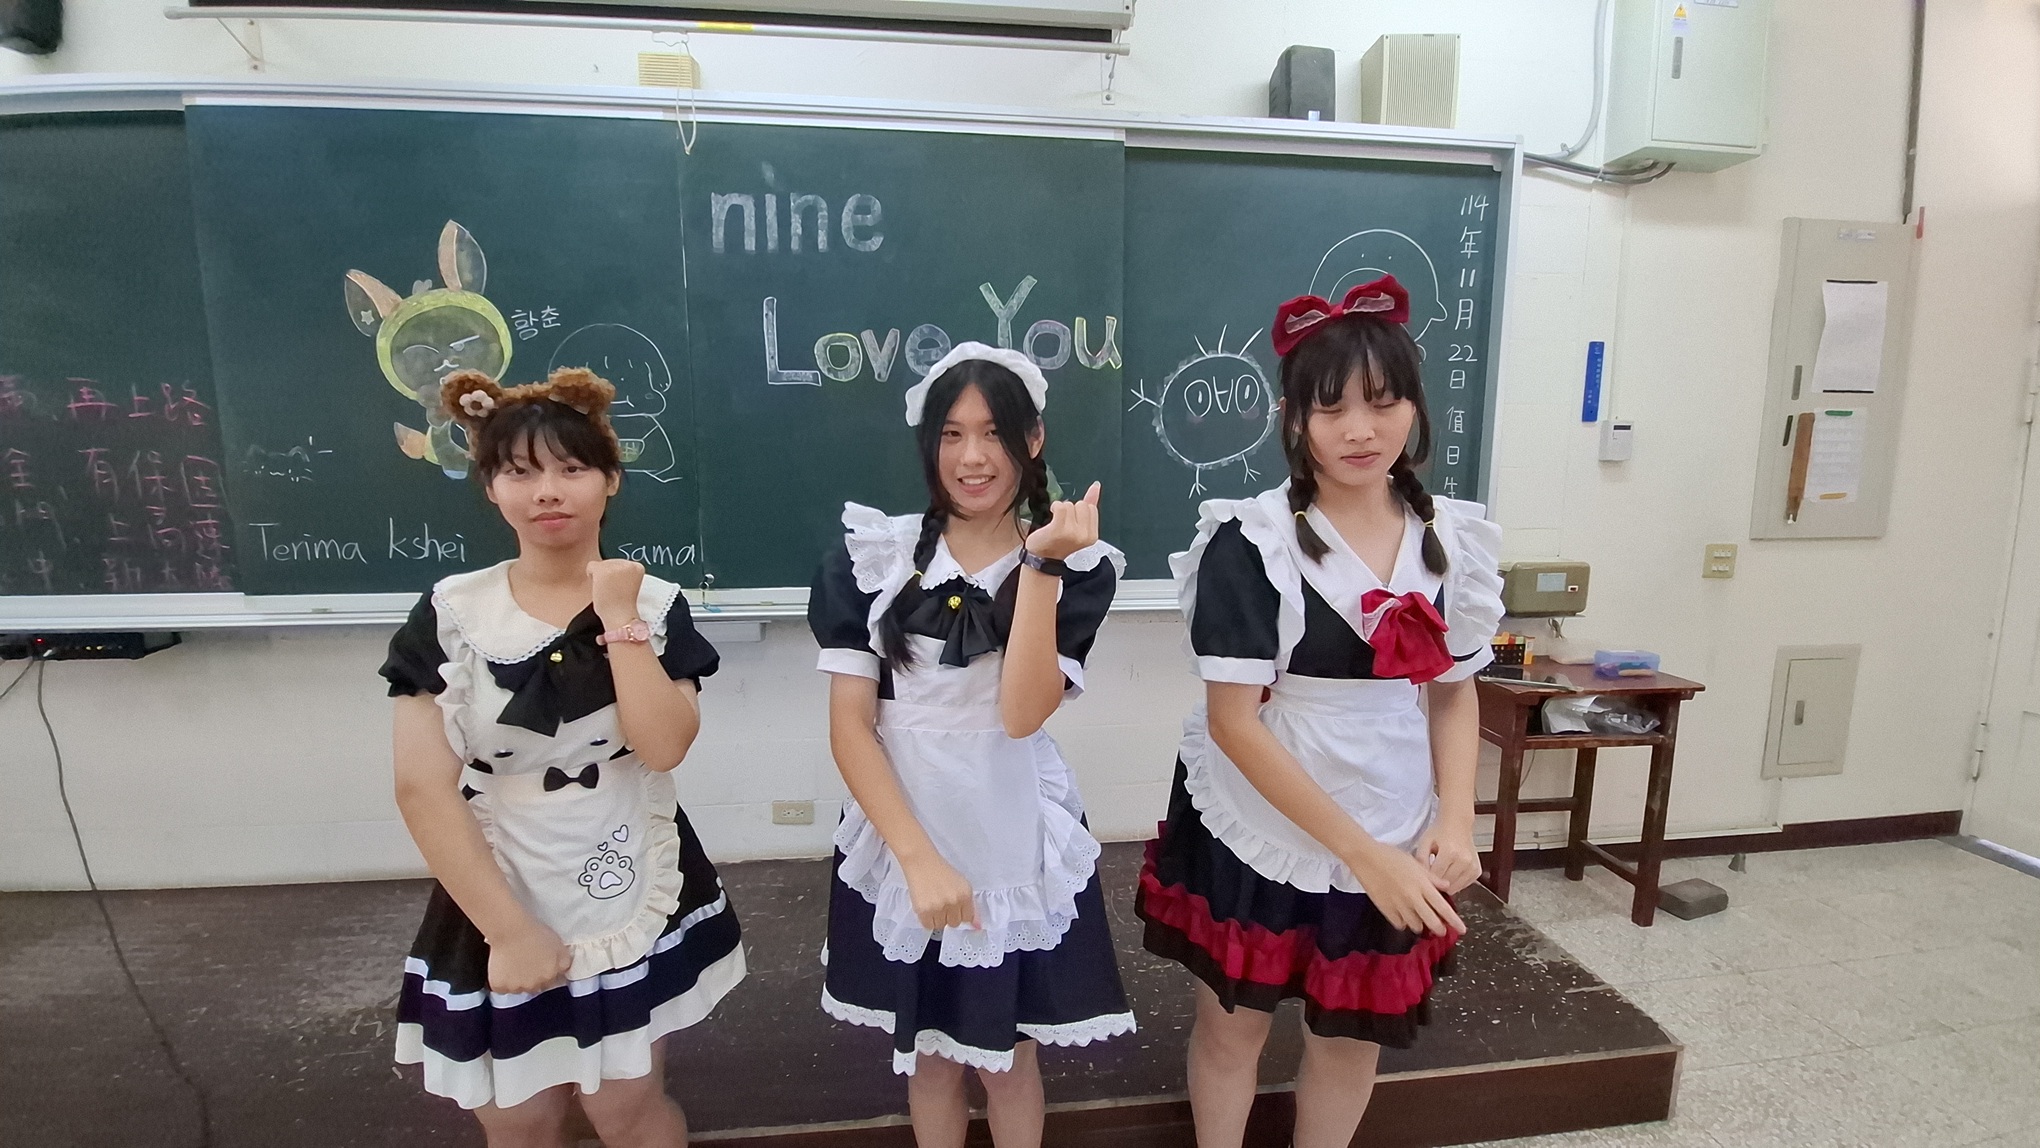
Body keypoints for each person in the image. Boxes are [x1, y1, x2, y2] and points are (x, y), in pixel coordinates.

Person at [1135, 276, 1504, 1148]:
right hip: (1265, 810)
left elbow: (1452, 687)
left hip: (1395, 805)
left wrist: (1456, 817)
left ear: (1414, 407)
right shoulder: (1251, 541)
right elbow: (1234, 723)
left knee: (1349, 1036)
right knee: (1234, 1028)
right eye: (1331, 408)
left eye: (1383, 402)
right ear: (1293, 418)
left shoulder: (1452, 538)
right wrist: (1363, 857)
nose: (1360, 430)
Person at [381, 366, 744, 1147]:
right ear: (491, 488)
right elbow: (421, 788)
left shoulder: (655, 605)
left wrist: (618, 618)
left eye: (571, 468)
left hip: (625, 868)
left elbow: (664, 745)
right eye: (520, 472)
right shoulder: (451, 613)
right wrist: (510, 932)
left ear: (610, 479)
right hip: (498, 883)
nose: (547, 491)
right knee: (521, 1117)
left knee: (626, 1108)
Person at [806, 343, 1136, 1148]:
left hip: (1009, 832)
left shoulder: (1078, 568)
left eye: (993, 433)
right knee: (928, 1062)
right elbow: (850, 727)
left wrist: (1042, 566)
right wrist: (917, 859)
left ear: (1034, 440)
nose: (972, 457)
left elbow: (1022, 715)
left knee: (1010, 1062)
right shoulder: (872, 558)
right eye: (952, 435)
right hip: (902, 831)